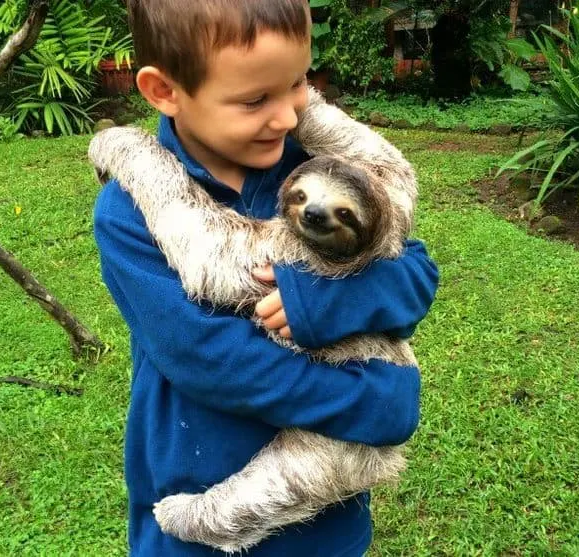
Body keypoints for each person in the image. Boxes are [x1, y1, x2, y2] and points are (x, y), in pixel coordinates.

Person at [92, 1, 439, 555]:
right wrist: (372, 402)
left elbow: (411, 246)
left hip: (328, 521)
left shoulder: (319, 170)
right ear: (165, 90)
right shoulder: (125, 215)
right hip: (199, 464)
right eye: (256, 98)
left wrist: (325, 300)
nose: (284, 117)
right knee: (202, 519)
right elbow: (206, 350)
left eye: (298, 84)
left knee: (234, 507)